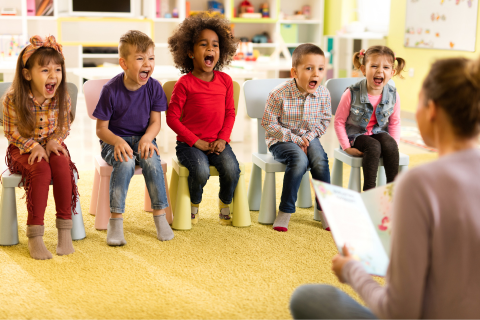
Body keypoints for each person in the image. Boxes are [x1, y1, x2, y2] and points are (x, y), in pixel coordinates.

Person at [290, 56, 480, 319]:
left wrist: (352, 271)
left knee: (308, 297)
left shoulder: (419, 184)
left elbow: (399, 312)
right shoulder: (353, 93)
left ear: (432, 110)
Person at [93, 30, 174, 245]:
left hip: (143, 138)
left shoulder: (154, 87)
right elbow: (101, 129)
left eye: (151, 58)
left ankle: (160, 217)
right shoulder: (110, 90)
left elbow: (156, 122)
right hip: (114, 141)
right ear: (124, 63)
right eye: (140, 58)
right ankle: (116, 220)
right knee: (126, 162)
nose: (147, 63)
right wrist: (118, 141)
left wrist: (147, 138)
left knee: (151, 162)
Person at [2, 35, 78, 260]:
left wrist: (55, 139)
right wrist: (33, 145)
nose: (53, 76)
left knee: (62, 165)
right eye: (45, 70)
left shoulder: (62, 97)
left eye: (58, 70)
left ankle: (65, 231)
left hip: (52, 143)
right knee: (41, 169)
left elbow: (64, 126)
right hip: (21, 148)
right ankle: (35, 236)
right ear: (27, 74)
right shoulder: (13, 98)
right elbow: (11, 132)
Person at [166, 12, 240, 226]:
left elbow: (230, 113)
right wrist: (196, 141)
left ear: (221, 51)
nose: (210, 49)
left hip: (218, 142)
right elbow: (172, 118)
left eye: (215, 45)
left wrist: (223, 139)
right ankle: (194, 204)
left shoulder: (225, 81)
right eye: (203, 44)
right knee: (200, 170)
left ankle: (225, 202)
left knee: (232, 169)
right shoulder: (184, 84)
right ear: (189, 52)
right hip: (191, 145)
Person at [261, 43, 331, 232]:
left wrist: (307, 137)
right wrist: (294, 139)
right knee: (299, 160)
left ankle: (326, 209)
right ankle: (285, 210)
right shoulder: (279, 94)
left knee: (320, 160)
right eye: (309, 68)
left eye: (320, 68)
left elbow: (324, 121)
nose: (316, 74)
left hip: (309, 136)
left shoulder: (323, 93)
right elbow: (268, 124)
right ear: (294, 72)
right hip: (281, 140)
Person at [334, 46, 405, 191]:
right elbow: (339, 122)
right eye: (374, 66)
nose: (380, 71)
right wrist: (347, 147)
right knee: (373, 147)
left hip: (378, 133)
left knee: (390, 144)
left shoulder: (393, 95)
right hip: (355, 136)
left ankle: (394, 191)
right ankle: (369, 192)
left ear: (392, 72)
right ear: (363, 69)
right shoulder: (351, 93)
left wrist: (393, 146)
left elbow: (395, 122)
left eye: (385, 67)